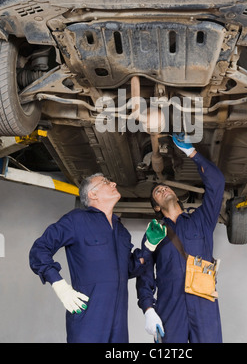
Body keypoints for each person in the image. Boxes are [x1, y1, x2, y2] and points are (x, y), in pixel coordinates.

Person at [29, 172, 148, 343]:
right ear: (92, 194)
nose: (114, 183)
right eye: (106, 182)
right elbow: (39, 249)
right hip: (88, 320)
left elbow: (128, 268)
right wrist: (59, 285)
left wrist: (149, 247)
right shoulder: (76, 220)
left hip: (119, 325)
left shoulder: (122, 232)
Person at [136, 133, 225, 343]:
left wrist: (191, 152)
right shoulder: (155, 233)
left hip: (203, 302)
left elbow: (217, 183)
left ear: (177, 196)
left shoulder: (202, 220)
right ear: (156, 207)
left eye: (166, 187)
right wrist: (148, 309)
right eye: (158, 191)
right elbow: (144, 274)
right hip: (170, 306)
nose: (163, 189)